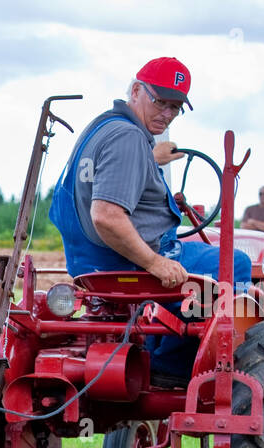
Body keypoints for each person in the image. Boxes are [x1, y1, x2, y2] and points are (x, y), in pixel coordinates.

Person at [49, 57, 252, 381]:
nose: (166, 114)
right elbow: (107, 216)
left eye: (175, 108)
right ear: (135, 90)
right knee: (238, 265)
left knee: (202, 274)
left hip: (89, 266)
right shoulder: (128, 139)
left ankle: (157, 340)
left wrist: (149, 159)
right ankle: (175, 366)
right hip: (129, 265)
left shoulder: (102, 128)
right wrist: (155, 263)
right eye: (159, 102)